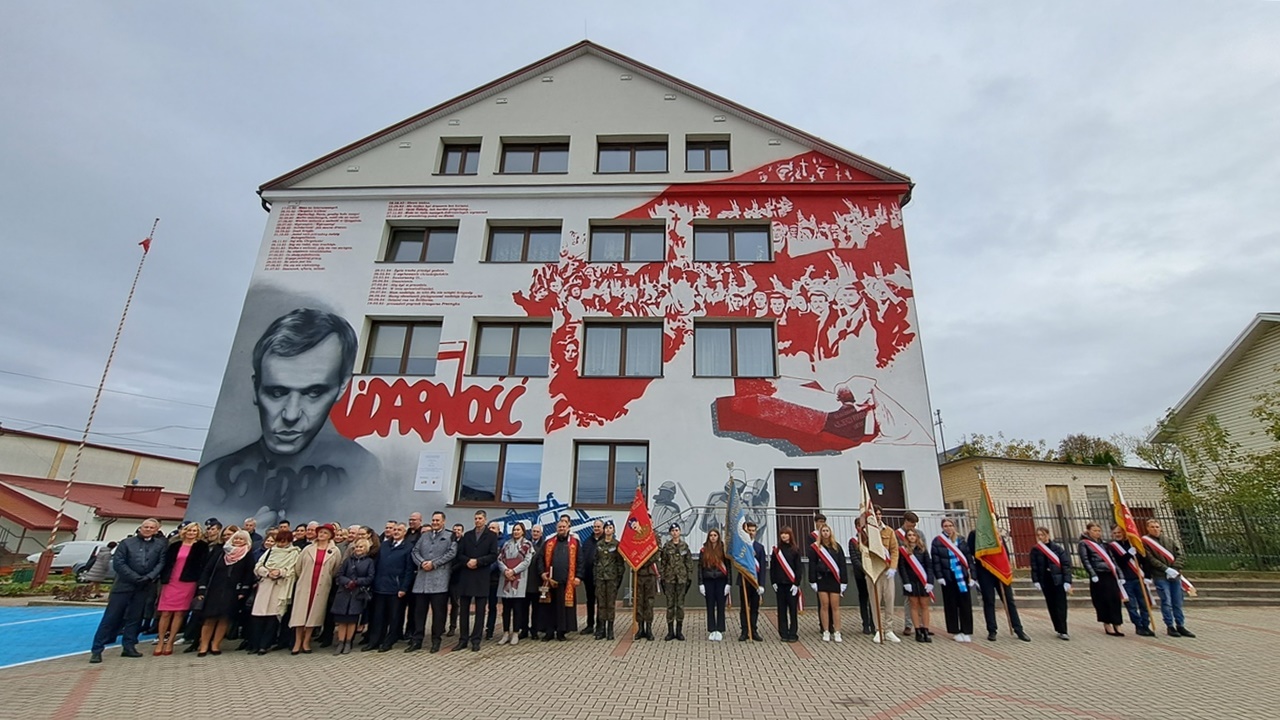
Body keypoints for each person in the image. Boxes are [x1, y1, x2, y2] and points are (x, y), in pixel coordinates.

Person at [189, 308, 381, 528]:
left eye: (314, 393)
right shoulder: (210, 483)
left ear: (341, 388)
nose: (291, 415)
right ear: (255, 388)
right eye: (277, 393)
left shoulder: (366, 474)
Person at [89, 518, 166, 664]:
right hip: (123, 586)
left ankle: (129, 646)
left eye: (151, 528)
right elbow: (119, 563)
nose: (148, 529)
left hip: (144, 587)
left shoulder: (160, 545)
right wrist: (135, 577)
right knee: (111, 618)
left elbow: (161, 562)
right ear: (140, 528)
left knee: (134, 618)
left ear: (156, 530)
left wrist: (149, 577)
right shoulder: (126, 543)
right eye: (146, 527)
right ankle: (97, 649)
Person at [194, 529, 256, 656]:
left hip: (232, 591)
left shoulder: (247, 555)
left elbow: (248, 574)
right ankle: (204, 645)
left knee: (224, 618)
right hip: (214, 589)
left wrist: (243, 590)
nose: (238, 541)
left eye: (241, 539)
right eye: (236, 538)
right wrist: (202, 587)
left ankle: (215, 644)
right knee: (209, 618)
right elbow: (207, 570)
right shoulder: (221, 552)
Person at [967, 526, 1031, 643]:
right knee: (989, 600)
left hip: (1000, 571)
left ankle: (1018, 628)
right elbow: (970, 551)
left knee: (1009, 600)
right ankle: (992, 630)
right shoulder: (975, 535)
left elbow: (1005, 554)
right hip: (984, 571)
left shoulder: (998, 536)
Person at [155, 522, 209, 655]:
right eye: (189, 530)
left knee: (179, 613)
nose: (191, 533)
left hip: (188, 582)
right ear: (184, 532)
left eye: (194, 531)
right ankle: (161, 641)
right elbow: (166, 563)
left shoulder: (202, 547)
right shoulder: (174, 545)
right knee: (166, 612)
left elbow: (203, 566)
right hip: (171, 581)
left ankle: (170, 642)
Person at [408, 511, 457, 653]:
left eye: (438, 520)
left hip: (439, 581)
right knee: (419, 613)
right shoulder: (424, 536)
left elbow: (451, 553)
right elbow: (415, 551)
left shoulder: (449, 536)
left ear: (443, 522)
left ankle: (436, 641)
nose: (435, 523)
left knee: (438, 614)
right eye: (433, 520)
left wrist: (433, 564)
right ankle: (417, 640)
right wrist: (422, 562)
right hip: (422, 580)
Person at [289, 523, 341, 654]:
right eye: (320, 532)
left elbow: (335, 570)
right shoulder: (308, 549)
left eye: (325, 533)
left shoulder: (335, 551)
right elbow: (298, 567)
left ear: (330, 536)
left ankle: (306, 641)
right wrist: (304, 578)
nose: (322, 535)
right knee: (300, 614)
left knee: (313, 614)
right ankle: (297, 642)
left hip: (321, 586)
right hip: (306, 583)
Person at [1141, 519, 1195, 638]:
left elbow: (1180, 555)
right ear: (1147, 528)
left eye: (1157, 526)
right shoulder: (1145, 542)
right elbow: (1150, 559)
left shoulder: (1169, 540)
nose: (1155, 529)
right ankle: (1170, 626)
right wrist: (1166, 569)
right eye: (1152, 527)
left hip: (1175, 575)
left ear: (1160, 527)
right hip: (1160, 575)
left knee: (1177, 601)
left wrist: (1174, 568)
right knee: (1166, 601)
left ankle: (1180, 625)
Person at [365, 522, 414, 652]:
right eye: (395, 529)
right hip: (380, 586)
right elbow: (376, 564)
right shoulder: (384, 545)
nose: (396, 532)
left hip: (396, 588)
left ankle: (389, 641)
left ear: (405, 533)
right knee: (378, 617)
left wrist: (404, 588)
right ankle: (374, 641)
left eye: (399, 530)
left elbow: (409, 570)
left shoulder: (408, 547)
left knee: (394, 617)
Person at [250, 529, 301, 654]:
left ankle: (265, 645)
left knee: (273, 618)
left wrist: (280, 572)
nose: (281, 544)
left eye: (284, 541)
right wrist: (267, 572)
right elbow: (258, 566)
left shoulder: (294, 553)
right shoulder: (270, 551)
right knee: (258, 617)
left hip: (280, 587)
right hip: (265, 585)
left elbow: (293, 570)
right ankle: (255, 644)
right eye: (279, 541)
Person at [455, 511, 499, 652]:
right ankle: (463, 639)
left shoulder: (491, 536)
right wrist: (467, 561)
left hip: (481, 576)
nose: (477, 521)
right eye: (475, 518)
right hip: (467, 576)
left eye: (480, 518)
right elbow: (459, 554)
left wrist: (478, 562)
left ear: (485, 520)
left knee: (480, 611)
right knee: (464, 610)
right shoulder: (467, 535)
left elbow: (493, 555)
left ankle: (476, 640)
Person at [931, 517, 975, 643]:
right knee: (951, 604)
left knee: (965, 604)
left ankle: (966, 630)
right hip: (948, 576)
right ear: (942, 527)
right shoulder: (938, 541)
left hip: (962, 577)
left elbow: (968, 558)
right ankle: (955, 630)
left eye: (950, 525)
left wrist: (972, 575)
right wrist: (939, 576)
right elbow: (936, 560)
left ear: (954, 526)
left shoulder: (961, 540)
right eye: (945, 526)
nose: (948, 528)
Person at [1078, 522, 1125, 637]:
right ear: (1088, 531)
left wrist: (1120, 575)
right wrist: (1092, 574)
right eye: (1094, 530)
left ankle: (1117, 623)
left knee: (1115, 599)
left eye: (1099, 531)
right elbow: (1085, 560)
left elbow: (1112, 560)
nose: (1097, 533)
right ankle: (1107, 624)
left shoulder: (1105, 544)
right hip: (1098, 575)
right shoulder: (1084, 544)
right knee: (1103, 600)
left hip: (1110, 573)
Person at [539, 516, 583, 641]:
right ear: (556, 528)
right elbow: (540, 560)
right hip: (550, 581)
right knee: (549, 608)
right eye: (559, 527)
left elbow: (580, 561)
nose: (561, 529)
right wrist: (543, 573)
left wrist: (578, 576)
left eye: (564, 527)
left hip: (567, 581)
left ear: (568, 528)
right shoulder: (549, 542)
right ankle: (549, 632)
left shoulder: (574, 543)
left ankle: (561, 632)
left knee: (563, 609)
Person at [862, 506, 901, 643]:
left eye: (879, 514)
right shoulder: (865, 531)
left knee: (889, 600)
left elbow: (895, 550)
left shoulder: (889, 531)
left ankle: (889, 629)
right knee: (875, 601)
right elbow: (863, 550)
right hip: (873, 571)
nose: (878, 516)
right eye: (875, 514)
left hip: (887, 571)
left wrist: (893, 567)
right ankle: (878, 629)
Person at [330, 538, 375, 654]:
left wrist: (356, 582)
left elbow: (370, 577)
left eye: (361, 547)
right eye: (357, 547)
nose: (358, 549)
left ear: (366, 549)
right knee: (341, 620)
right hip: (344, 592)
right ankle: (340, 642)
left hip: (357, 594)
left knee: (352, 620)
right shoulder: (348, 561)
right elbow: (340, 574)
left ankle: (348, 642)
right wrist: (347, 582)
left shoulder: (369, 562)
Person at [1108, 525, 1154, 637]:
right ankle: (1138, 626)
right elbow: (1118, 562)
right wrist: (1128, 554)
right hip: (1126, 580)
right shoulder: (1112, 547)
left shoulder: (1134, 543)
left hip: (1139, 578)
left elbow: (1144, 560)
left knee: (1144, 604)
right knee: (1131, 605)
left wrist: (1147, 576)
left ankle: (1146, 625)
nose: (1117, 535)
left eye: (1119, 532)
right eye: (1115, 533)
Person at [1029, 526, 1073, 640]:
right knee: (1052, 605)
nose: (1040, 537)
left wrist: (1067, 581)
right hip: (1046, 580)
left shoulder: (1057, 549)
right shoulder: (1036, 550)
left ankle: (1064, 630)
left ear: (1048, 535)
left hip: (1058, 580)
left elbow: (1066, 565)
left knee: (1061, 605)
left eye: (1042, 535)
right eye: (1038, 535)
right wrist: (1036, 580)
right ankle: (1058, 628)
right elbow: (1034, 566)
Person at [496, 522, 534, 646]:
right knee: (506, 609)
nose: (516, 532)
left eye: (518, 530)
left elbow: (527, 561)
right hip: (506, 579)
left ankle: (516, 633)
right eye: (514, 530)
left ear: (523, 531)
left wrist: (514, 570)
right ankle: (506, 633)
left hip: (519, 579)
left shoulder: (527, 545)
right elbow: (500, 559)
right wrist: (506, 570)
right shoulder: (506, 544)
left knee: (518, 609)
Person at [808, 524, 847, 642]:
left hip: (834, 579)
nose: (825, 533)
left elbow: (842, 565)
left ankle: (837, 631)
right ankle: (825, 631)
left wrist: (844, 582)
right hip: (822, 579)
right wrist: (812, 580)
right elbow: (812, 565)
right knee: (824, 606)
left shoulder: (837, 547)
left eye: (827, 530)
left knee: (835, 607)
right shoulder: (815, 548)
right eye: (823, 531)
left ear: (830, 532)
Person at [657, 522, 693, 642]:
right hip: (669, 579)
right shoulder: (667, 547)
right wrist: (662, 577)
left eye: (676, 530)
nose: (675, 533)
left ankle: (679, 631)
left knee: (680, 605)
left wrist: (689, 577)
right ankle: (670, 631)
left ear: (680, 532)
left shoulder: (684, 546)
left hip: (682, 579)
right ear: (670, 533)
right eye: (672, 531)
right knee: (670, 605)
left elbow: (689, 563)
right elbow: (663, 563)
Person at [898, 528, 934, 643]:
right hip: (911, 582)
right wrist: (906, 582)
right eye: (909, 535)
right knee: (913, 605)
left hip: (923, 581)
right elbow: (902, 568)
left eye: (914, 535)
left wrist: (930, 581)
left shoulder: (923, 550)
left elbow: (929, 566)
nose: (912, 537)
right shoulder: (903, 551)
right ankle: (917, 631)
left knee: (924, 605)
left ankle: (926, 630)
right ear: (906, 537)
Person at [770, 526, 803, 643]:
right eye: (782, 533)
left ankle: (793, 633)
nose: (784, 535)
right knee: (781, 610)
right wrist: (773, 581)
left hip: (791, 585)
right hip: (780, 585)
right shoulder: (776, 551)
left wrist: (796, 583)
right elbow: (772, 568)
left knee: (793, 610)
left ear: (790, 535)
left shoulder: (795, 550)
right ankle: (783, 633)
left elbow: (799, 568)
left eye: (786, 533)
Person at [737, 521, 767, 642]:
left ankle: (753, 630)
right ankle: (744, 631)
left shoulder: (760, 548)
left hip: (755, 583)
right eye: (749, 530)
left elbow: (763, 568)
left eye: (753, 530)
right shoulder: (741, 547)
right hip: (744, 581)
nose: (751, 533)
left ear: (756, 532)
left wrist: (762, 584)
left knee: (754, 608)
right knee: (744, 608)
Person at [594, 521, 624, 640]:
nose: (607, 530)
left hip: (612, 579)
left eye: (610, 528)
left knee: (610, 604)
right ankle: (601, 629)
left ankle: (610, 630)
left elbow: (620, 564)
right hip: (600, 578)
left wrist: (618, 579)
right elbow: (596, 561)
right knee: (601, 604)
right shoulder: (599, 544)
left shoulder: (617, 545)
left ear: (613, 530)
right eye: (606, 528)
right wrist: (595, 576)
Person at [698, 529, 730, 641]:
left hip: (721, 581)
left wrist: (728, 583)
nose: (713, 537)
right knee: (710, 606)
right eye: (711, 535)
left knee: (721, 606)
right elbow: (700, 568)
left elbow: (728, 567)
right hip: (708, 581)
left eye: (715, 535)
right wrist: (700, 583)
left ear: (718, 536)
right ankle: (712, 629)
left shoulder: (723, 550)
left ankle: (720, 629)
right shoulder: (704, 550)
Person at [894, 511, 921, 636]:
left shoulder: (919, 534)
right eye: (911, 524)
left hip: (919, 569)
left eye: (914, 525)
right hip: (905, 568)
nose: (913, 527)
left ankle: (921, 625)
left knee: (921, 597)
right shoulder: (897, 535)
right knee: (909, 598)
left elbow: (923, 548)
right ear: (906, 521)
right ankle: (909, 624)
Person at [846, 521, 874, 635]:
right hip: (860, 574)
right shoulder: (853, 541)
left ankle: (874, 623)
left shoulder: (872, 540)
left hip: (872, 573)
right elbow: (854, 558)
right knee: (863, 598)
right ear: (856, 527)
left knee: (873, 599)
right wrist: (864, 568)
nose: (861, 528)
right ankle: (865, 623)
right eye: (859, 526)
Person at [579, 520, 604, 636]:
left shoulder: (606, 541)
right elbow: (582, 559)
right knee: (590, 601)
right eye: (595, 526)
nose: (596, 528)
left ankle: (600, 625)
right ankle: (589, 625)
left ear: (603, 528)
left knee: (601, 601)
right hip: (588, 576)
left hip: (601, 577)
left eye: (598, 526)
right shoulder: (587, 541)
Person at [523, 523, 545, 639]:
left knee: (536, 609)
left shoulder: (544, 545)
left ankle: (535, 630)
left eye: (537, 532)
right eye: (533, 531)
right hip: (525, 582)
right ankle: (524, 629)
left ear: (541, 533)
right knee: (523, 608)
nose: (535, 533)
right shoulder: (526, 544)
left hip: (537, 582)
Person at [633, 542, 659, 642]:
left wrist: (643, 560)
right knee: (639, 602)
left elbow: (656, 554)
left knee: (649, 602)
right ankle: (640, 628)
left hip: (650, 573)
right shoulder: (636, 537)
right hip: (638, 573)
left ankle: (648, 628)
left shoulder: (654, 537)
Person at [446, 522, 466, 638]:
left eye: (458, 530)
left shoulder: (463, 543)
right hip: (445, 576)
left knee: (455, 602)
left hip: (456, 577)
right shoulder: (449, 541)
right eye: (454, 530)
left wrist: (452, 569)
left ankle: (452, 626)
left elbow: (462, 559)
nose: (456, 532)